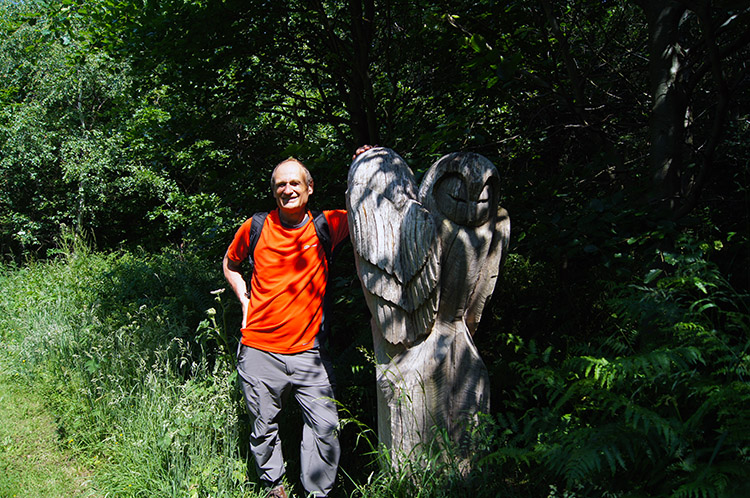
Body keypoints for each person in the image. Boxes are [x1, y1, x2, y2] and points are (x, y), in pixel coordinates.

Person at [223, 152, 365, 498]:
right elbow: (230, 263)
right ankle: (274, 486)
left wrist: (365, 161)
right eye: (280, 185)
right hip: (258, 349)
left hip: (310, 352)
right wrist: (243, 296)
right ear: (274, 192)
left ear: (309, 188)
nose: (288, 190)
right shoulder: (256, 226)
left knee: (324, 426)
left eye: (294, 183)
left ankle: (317, 492)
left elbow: (368, 212)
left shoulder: (327, 224)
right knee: (263, 425)